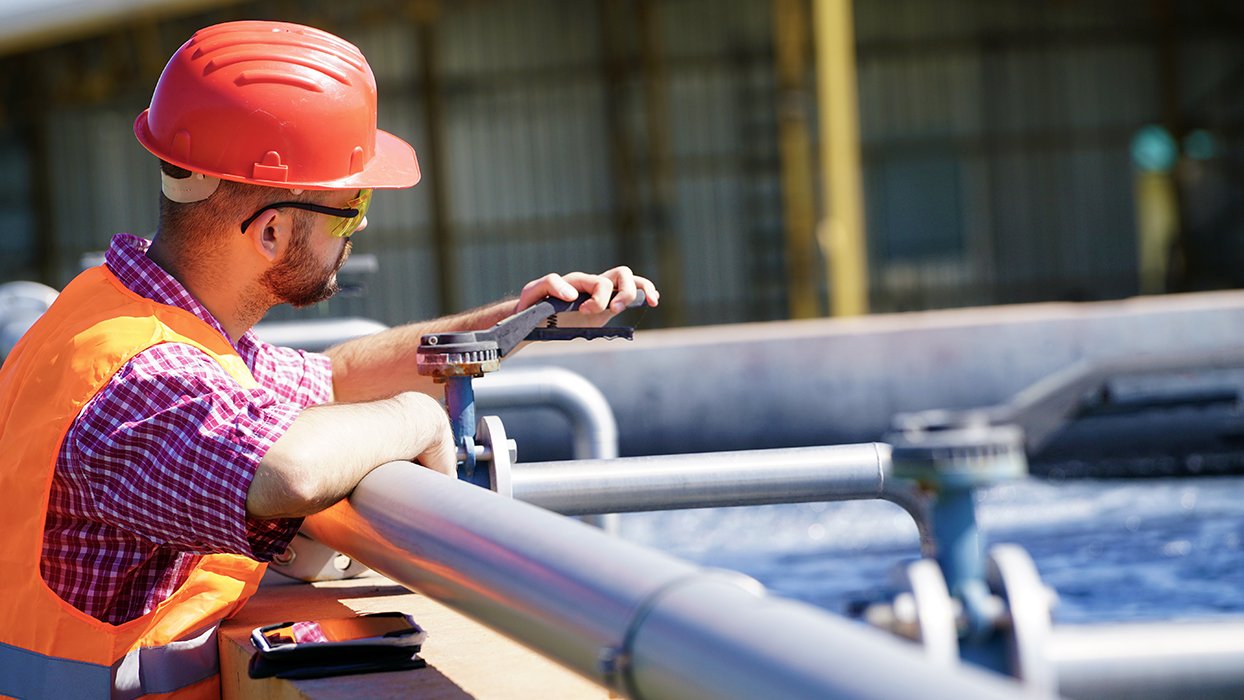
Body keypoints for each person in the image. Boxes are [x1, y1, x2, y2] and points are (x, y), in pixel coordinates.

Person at [0, 19, 658, 699]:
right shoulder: (145, 382)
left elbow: (334, 379)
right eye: (352, 207)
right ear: (274, 229)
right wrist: (415, 419)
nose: (364, 223)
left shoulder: (120, 314)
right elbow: (288, 470)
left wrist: (513, 320)